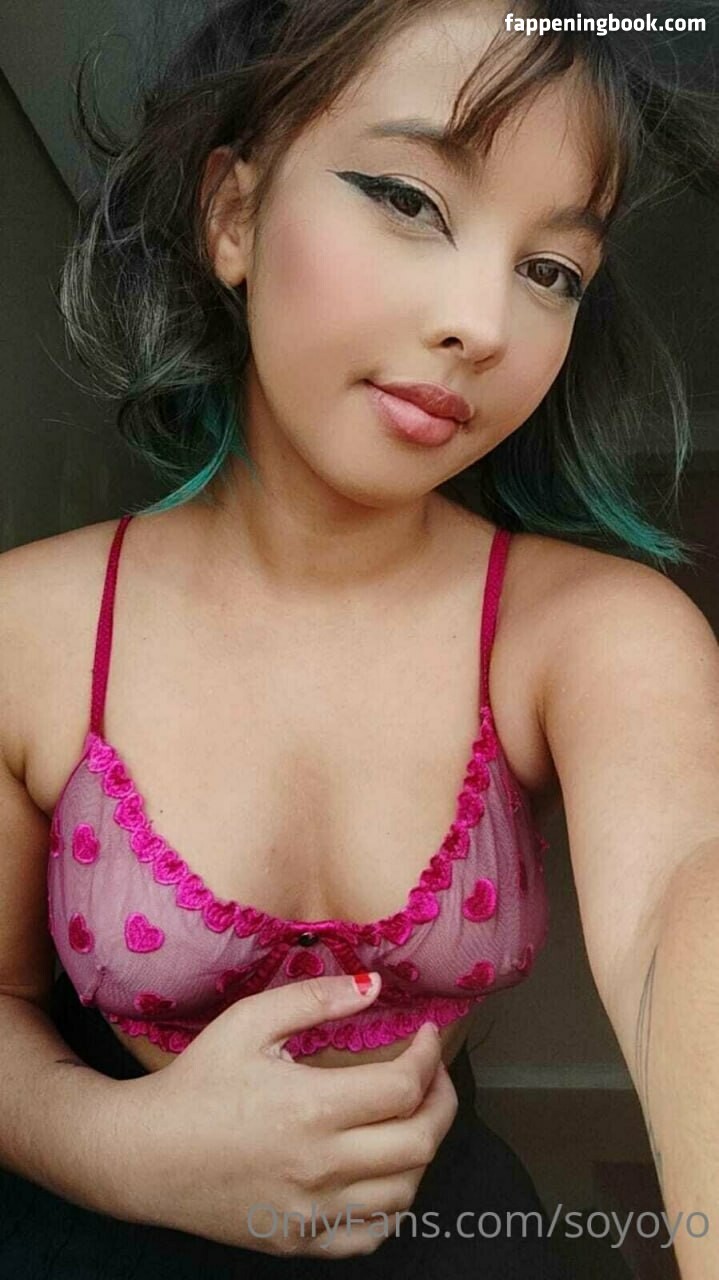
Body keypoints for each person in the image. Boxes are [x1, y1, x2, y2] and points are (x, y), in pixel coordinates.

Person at [0, 0, 717, 1276]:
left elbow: (684, 908)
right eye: (407, 198)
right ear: (233, 215)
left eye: (550, 271)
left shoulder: (589, 631)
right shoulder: (29, 629)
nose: (484, 324)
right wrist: (114, 1144)